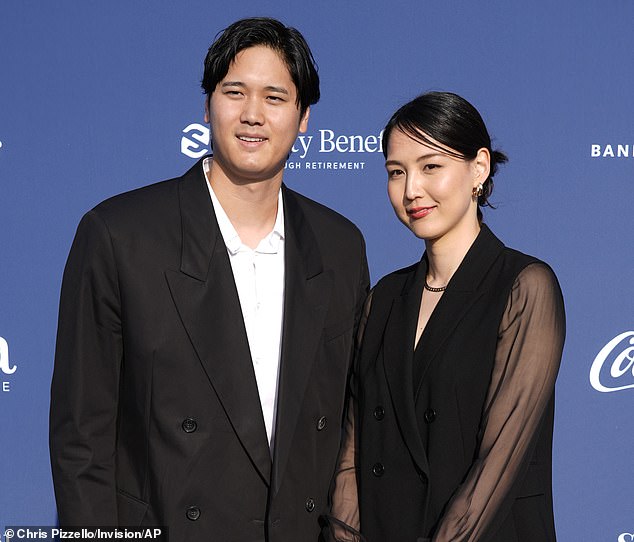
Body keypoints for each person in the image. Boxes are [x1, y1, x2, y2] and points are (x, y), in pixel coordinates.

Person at [49, 17, 369, 542]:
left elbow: (346, 431)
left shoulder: (339, 247)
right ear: (207, 106)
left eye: (274, 97)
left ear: (304, 117)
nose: (251, 115)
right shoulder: (121, 236)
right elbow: (80, 442)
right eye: (234, 92)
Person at [327, 91, 565, 541]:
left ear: (479, 168)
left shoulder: (524, 286)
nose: (411, 189)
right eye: (396, 172)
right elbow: (354, 449)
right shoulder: (384, 297)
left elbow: (498, 462)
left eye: (430, 166)